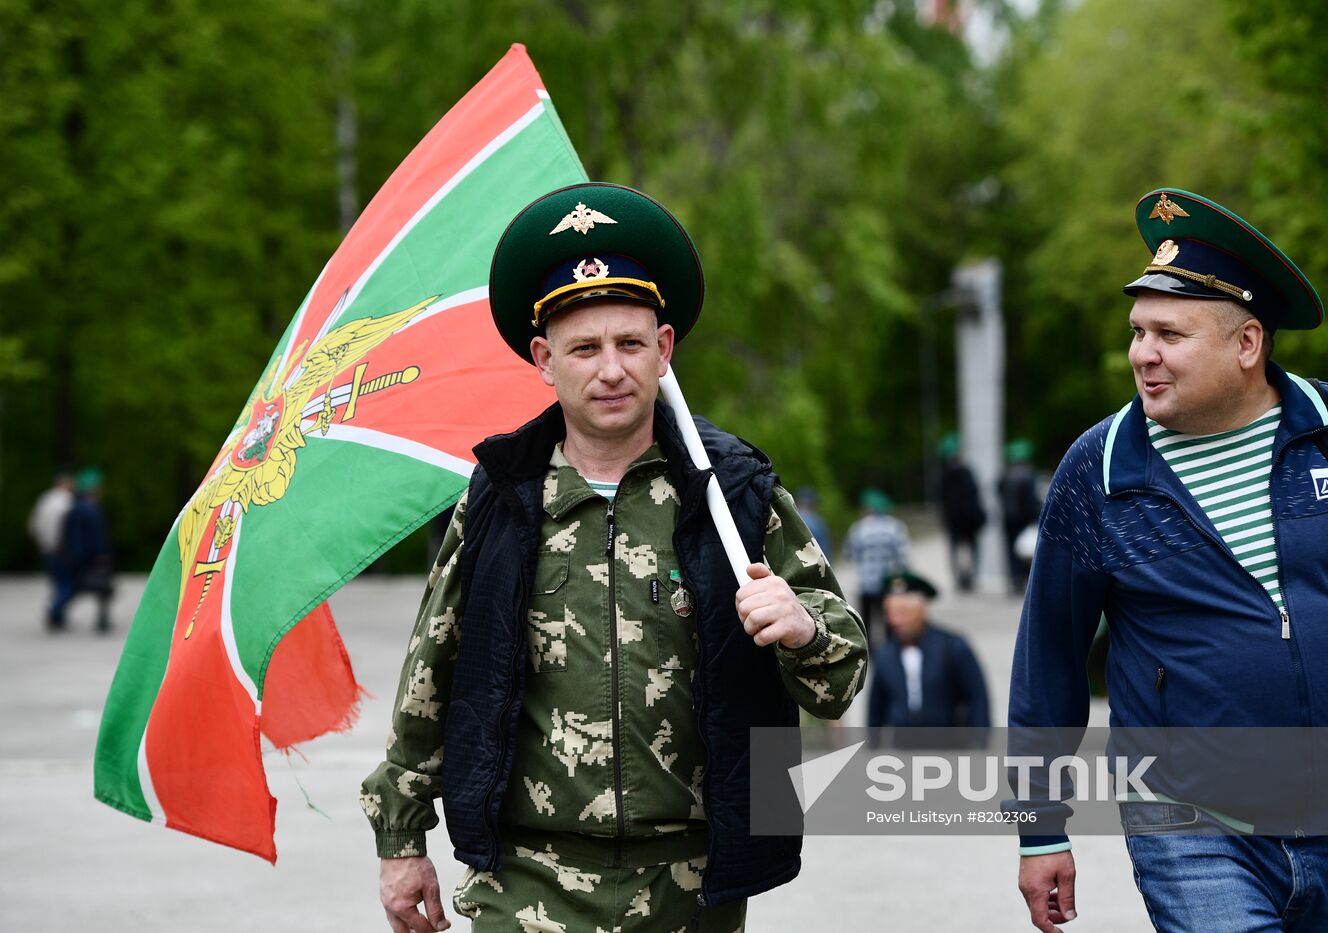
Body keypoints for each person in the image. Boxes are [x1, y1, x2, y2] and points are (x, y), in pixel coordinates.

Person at [361, 183, 867, 933]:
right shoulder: (503, 498)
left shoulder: (731, 495)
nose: (611, 370)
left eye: (631, 344)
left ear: (664, 350)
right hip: (527, 879)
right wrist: (400, 836)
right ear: (543, 358)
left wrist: (802, 627)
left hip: (692, 884)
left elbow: (842, 679)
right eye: (585, 348)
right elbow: (432, 670)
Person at [1009, 188, 1328, 933]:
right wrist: (1041, 828)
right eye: (1137, 332)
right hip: (1191, 826)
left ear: (1247, 343)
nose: (1142, 354)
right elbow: (1048, 663)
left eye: (1169, 334)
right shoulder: (1100, 469)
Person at [866, 570, 989, 747]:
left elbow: (978, 698)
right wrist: (873, 745)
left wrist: (979, 743)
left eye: (903, 612)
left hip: (949, 745)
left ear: (922, 609)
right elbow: (876, 706)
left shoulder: (953, 647)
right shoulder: (885, 654)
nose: (895, 621)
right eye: (890, 613)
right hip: (902, 749)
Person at [841, 487, 909, 644]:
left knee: (867, 619)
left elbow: (850, 555)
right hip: (888, 581)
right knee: (890, 617)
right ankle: (891, 647)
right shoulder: (894, 527)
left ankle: (868, 648)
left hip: (866, 582)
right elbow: (902, 556)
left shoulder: (859, 528)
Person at [52, 467, 115, 632]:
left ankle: (56, 614)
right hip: (85, 558)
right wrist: (101, 555)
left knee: (72, 587)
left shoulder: (75, 506)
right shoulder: (90, 508)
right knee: (99, 588)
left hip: (74, 556)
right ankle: (56, 613)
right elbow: (96, 536)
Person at [938, 436, 986, 592]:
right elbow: (974, 492)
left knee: (955, 550)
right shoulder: (966, 471)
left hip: (953, 520)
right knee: (972, 549)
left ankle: (960, 579)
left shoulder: (944, 474)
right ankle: (970, 577)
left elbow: (940, 499)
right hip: (968, 519)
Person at [28, 469, 74, 630]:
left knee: (58, 583)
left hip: (46, 549)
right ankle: (55, 611)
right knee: (67, 584)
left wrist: (41, 543)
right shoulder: (67, 502)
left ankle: (58, 616)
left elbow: (33, 525)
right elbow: (67, 531)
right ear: (66, 483)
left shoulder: (45, 498)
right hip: (60, 550)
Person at [997, 439, 1041, 593]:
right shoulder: (1030, 475)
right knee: (1027, 551)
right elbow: (1031, 500)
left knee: (1011, 551)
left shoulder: (1004, 475)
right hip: (1024, 519)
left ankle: (1015, 580)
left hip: (1008, 519)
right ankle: (1025, 580)